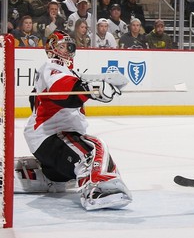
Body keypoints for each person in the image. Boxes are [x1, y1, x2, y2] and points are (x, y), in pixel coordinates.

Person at [22, 30, 132, 210]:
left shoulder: (68, 72)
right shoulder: (52, 65)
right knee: (94, 148)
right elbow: (64, 93)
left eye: (68, 47)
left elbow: (72, 89)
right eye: (61, 46)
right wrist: (90, 89)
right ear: (51, 49)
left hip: (49, 140)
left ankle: (45, 175)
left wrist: (94, 88)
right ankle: (98, 190)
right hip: (53, 136)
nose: (66, 50)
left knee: (72, 167)